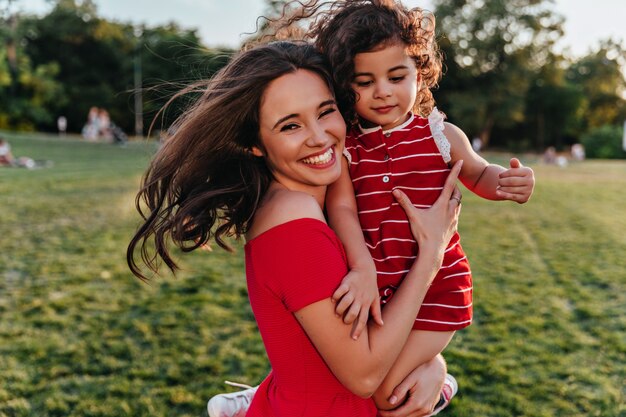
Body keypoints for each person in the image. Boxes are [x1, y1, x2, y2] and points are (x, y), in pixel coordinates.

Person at [127, 41, 463, 417]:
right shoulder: (293, 222)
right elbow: (365, 374)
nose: (319, 137)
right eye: (290, 125)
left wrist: (432, 362)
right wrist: (432, 254)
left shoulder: (317, 203)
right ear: (254, 143)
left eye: (326, 112)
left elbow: (326, 355)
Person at [293, 0, 534, 410]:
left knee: (388, 394)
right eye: (364, 81)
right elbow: (344, 211)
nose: (382, 91)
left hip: (437, 290)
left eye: (396, 76)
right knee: (335, 368)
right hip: (376, 289)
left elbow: (478, 174)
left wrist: (509, 182)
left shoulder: (442, 136)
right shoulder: (348, 146)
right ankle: (268, 398)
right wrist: (362, 266)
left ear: (419, 75)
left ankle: (440, 381)